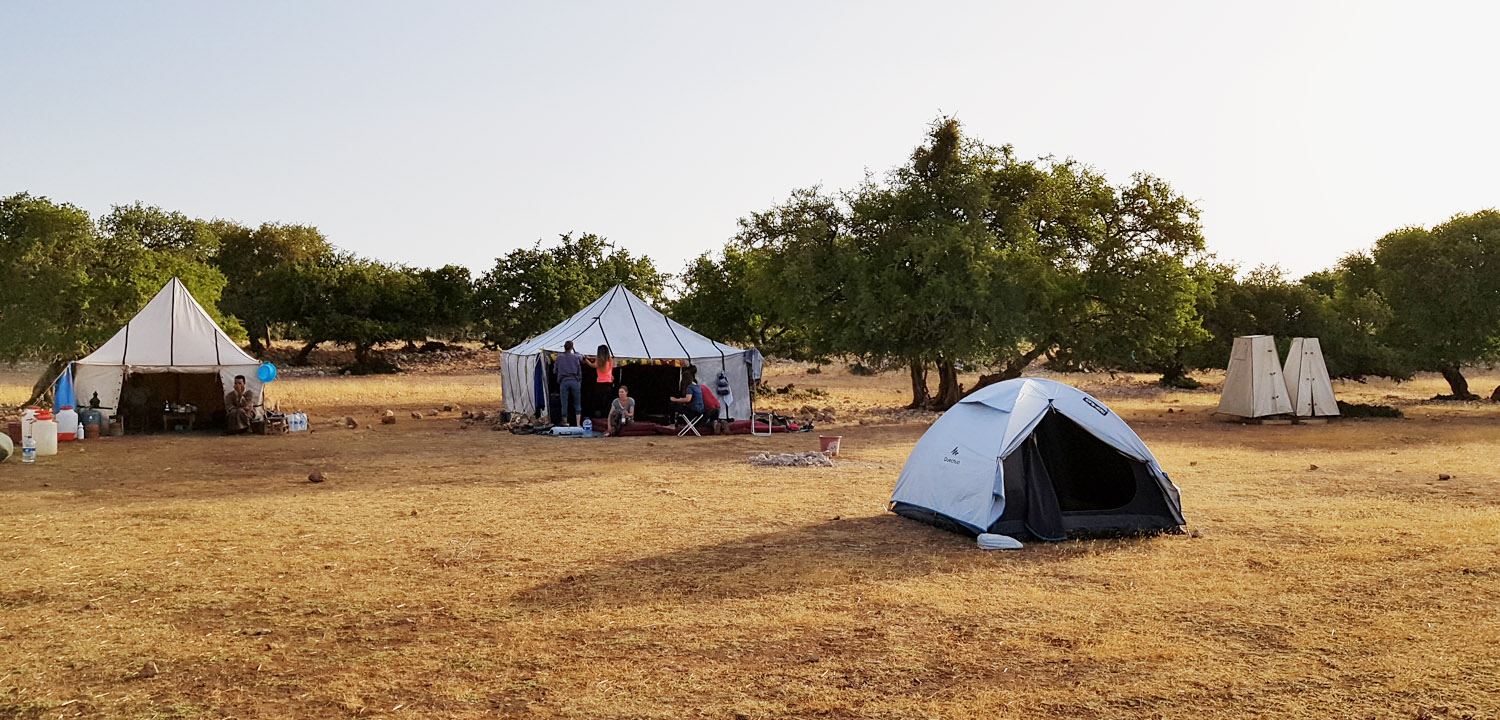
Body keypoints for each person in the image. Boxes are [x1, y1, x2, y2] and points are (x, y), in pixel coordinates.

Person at [554, 340, 584, 426]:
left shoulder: (559, 358)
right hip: (574, 380)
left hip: (564, 381)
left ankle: (565, 422)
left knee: (564, 403)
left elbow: (555, 370)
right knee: (577, 402)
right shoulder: (576, 357)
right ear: (571, 348)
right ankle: (578, 423)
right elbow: (579, 369)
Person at [584, 344, 614, 414]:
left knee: (599, 399)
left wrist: (586, 359)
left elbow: (592, 365)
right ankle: (606, 413)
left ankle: (599, 413)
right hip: (609, 381)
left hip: (600, 382)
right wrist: (591, 357)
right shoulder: (610, 360)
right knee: (607, 399)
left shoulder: (599, 361)